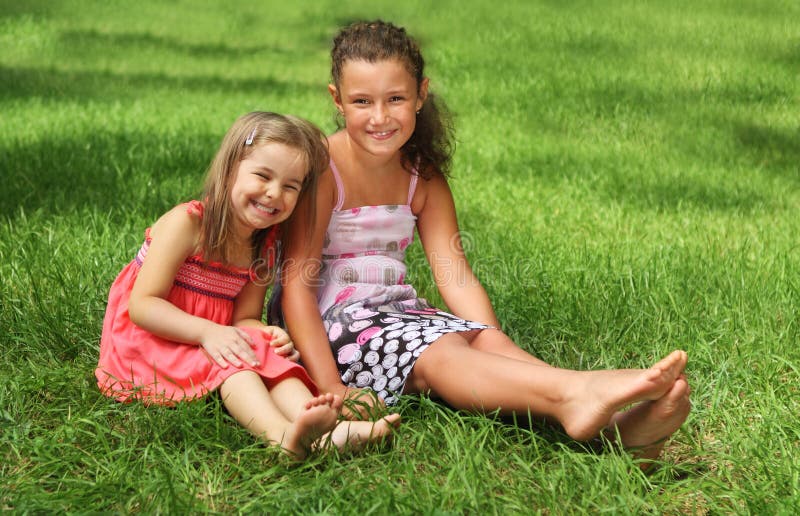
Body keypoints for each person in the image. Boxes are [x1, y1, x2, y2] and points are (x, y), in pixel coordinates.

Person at [276, 21, 691, 465]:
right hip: (329, 327)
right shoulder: (322, 167)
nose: (380, 117)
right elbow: (296, 287)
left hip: (394, 310)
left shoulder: (423, 177)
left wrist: (492, 338)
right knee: (441, 354)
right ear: (337, 100)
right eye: (362, 102)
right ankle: (579, 395)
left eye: (395, 98)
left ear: (420, 94)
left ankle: (612, 428)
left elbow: (455, 276)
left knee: (480, 341)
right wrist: (331, 386)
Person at [96, 111, 400, 460]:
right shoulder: (188, 224)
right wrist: (209, 333)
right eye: (262, 176)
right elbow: (143, 306)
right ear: (229, 171)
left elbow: (244, 318)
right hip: (151, 339)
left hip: (211, 334)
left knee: (259, 345)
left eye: (290, 186)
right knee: (236, 364)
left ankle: (324, 428)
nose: (274, 194)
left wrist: (266, 334)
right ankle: (282, 436)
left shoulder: (264, 244)